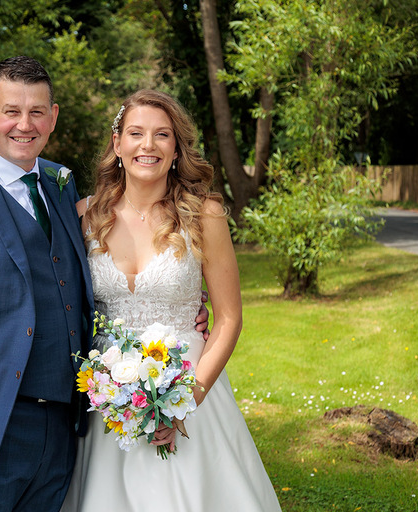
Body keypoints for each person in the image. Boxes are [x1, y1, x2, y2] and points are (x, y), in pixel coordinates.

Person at [0, 58, 209, 512]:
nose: (25, 124)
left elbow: (92, 281)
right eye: (11, 111)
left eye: (37, 111)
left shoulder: (62, 187)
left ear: (53, 117)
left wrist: (184, 307)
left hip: (66, 424)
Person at [62, 90, 282, 511]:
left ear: (177, 149)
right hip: (107, 397)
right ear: (117, 144)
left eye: (162, 135)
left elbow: (229, 319)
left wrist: (186, 400)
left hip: (189, 382)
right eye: (136, 133)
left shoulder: (205, 215)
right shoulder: (83, 215)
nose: (148, 145)